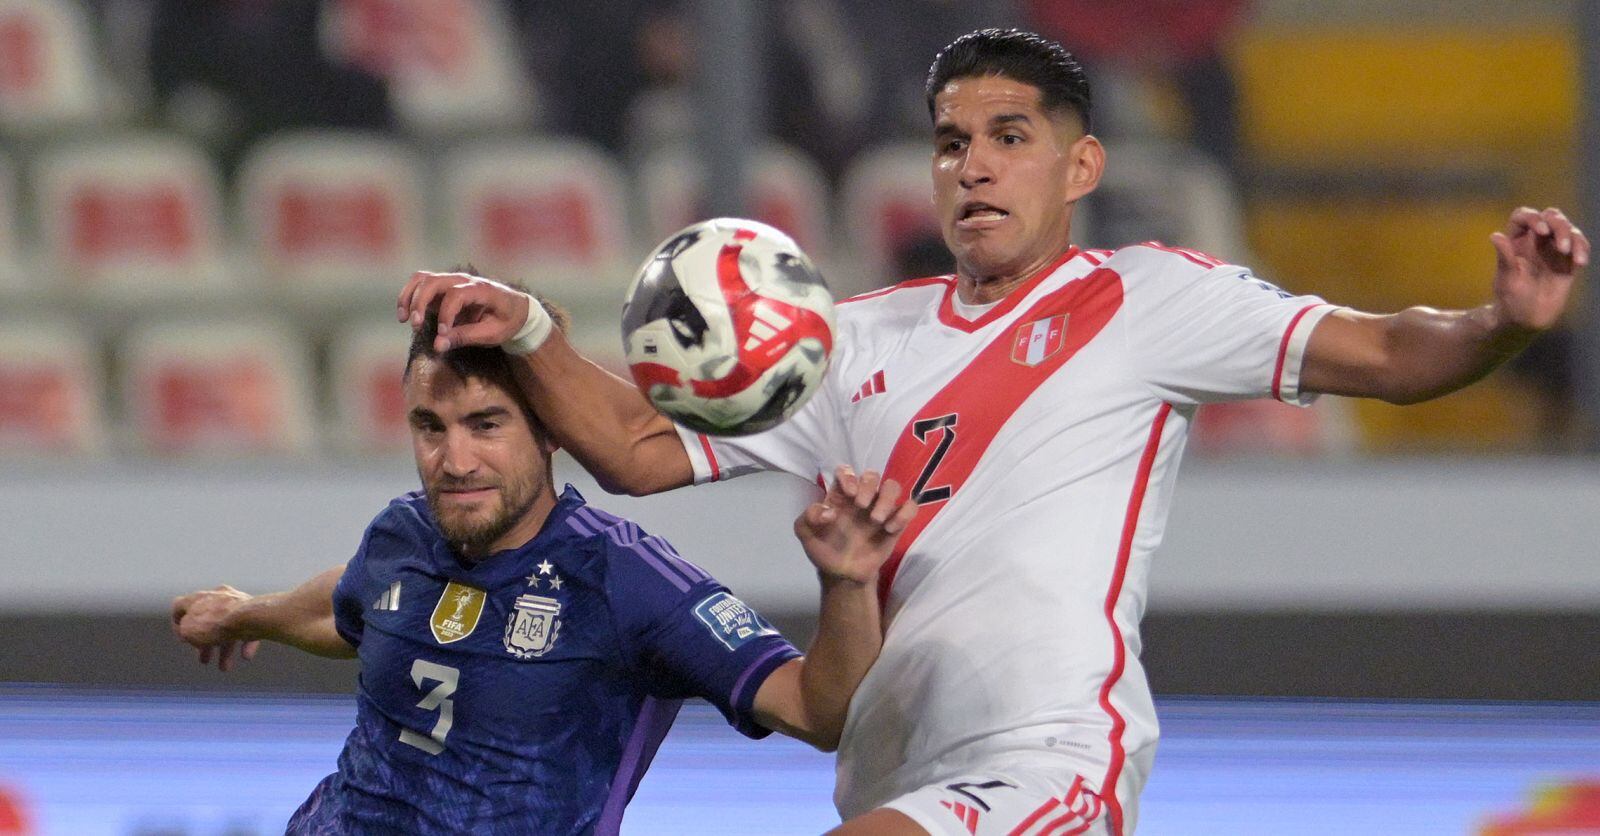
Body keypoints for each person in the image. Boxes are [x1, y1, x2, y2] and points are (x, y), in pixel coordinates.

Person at [394, 28, 1589, 836]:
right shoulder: (848, 337)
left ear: (1080, 164)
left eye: (1009, 138)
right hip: (893, 770)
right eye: (952, 142)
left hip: (1048, 758)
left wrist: (1500, 322)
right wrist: (533, 329)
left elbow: (1385, 354)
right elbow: (635, 451)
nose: (973, 167)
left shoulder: (1150, 299)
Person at [171, 300, 918, 834]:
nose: (454, 461)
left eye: (485, 425)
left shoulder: (624, 579)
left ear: (552, 432)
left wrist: (847, 584)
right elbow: (351, 606)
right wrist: (246, 612)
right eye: (430, 428)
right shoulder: (403, 532)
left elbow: (817, 712)